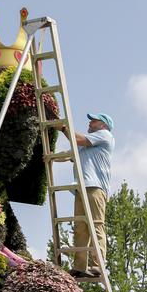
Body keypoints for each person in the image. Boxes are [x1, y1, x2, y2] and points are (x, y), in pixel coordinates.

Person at [63, 113, 114, 278]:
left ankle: (97, 265)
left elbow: (77, 139)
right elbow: (69, 153)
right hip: (81, 187)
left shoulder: (105, 136)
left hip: (95, 187)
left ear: (103, 125)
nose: (90, 123)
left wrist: (63, 128)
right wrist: (50, 159)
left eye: (94, 121)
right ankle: (79, 266)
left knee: (96, 225)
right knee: (80, 228)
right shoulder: (86, 145)